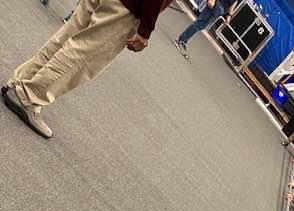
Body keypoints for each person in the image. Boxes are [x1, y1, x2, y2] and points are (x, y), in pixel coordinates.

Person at [2, 0, 170, 139]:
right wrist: (145, 29)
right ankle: (29, 96)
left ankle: (21, 81)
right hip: (128, 6)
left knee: (66, 38)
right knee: (83, 54)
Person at [173, 0, 237, 58]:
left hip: (219, 10)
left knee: (201, 26)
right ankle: (181, 40)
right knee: (199, 23)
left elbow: (233, 3)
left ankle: (183, 39)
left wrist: (229, 15)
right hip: (216, 4)